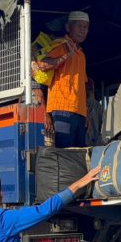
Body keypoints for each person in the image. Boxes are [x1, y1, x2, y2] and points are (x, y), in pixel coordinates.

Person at [37, 11, 90, 148]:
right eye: (79, 26)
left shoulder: (82, 53)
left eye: (85, 27)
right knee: (65, 153)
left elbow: (83, 85)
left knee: (78, 155)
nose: (83, 31)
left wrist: (86, 112)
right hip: (62, 108)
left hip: (79, 112)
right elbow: (42, 65)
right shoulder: (60, 45)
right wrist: (65, 56)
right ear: (68, 27)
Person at [85, 79, 104, 146]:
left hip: (95, 141)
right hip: (85, 142)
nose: (87, 92)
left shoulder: (98, 107)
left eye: (89, 89)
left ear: (92, 90)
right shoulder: (79, 105)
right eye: (85, 89)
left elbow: (102, 126)